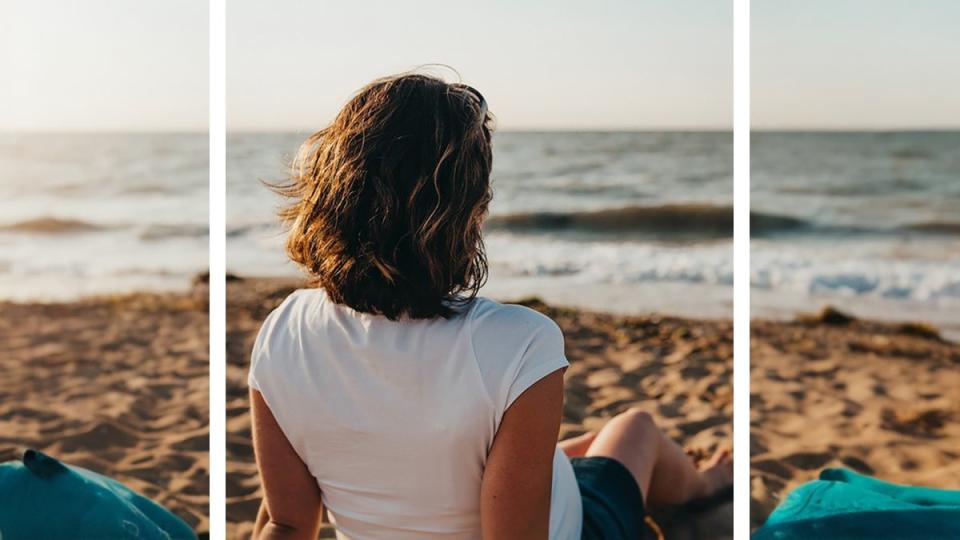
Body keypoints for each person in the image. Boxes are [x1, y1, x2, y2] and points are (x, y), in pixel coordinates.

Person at [248, 72, 732, 540]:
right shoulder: (520, 343)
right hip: (579, 527)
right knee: (635, 429)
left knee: (567, 451)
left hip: (461, 487)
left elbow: (286, 525)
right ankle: (706, 487)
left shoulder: (283, 331)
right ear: (470, 211)